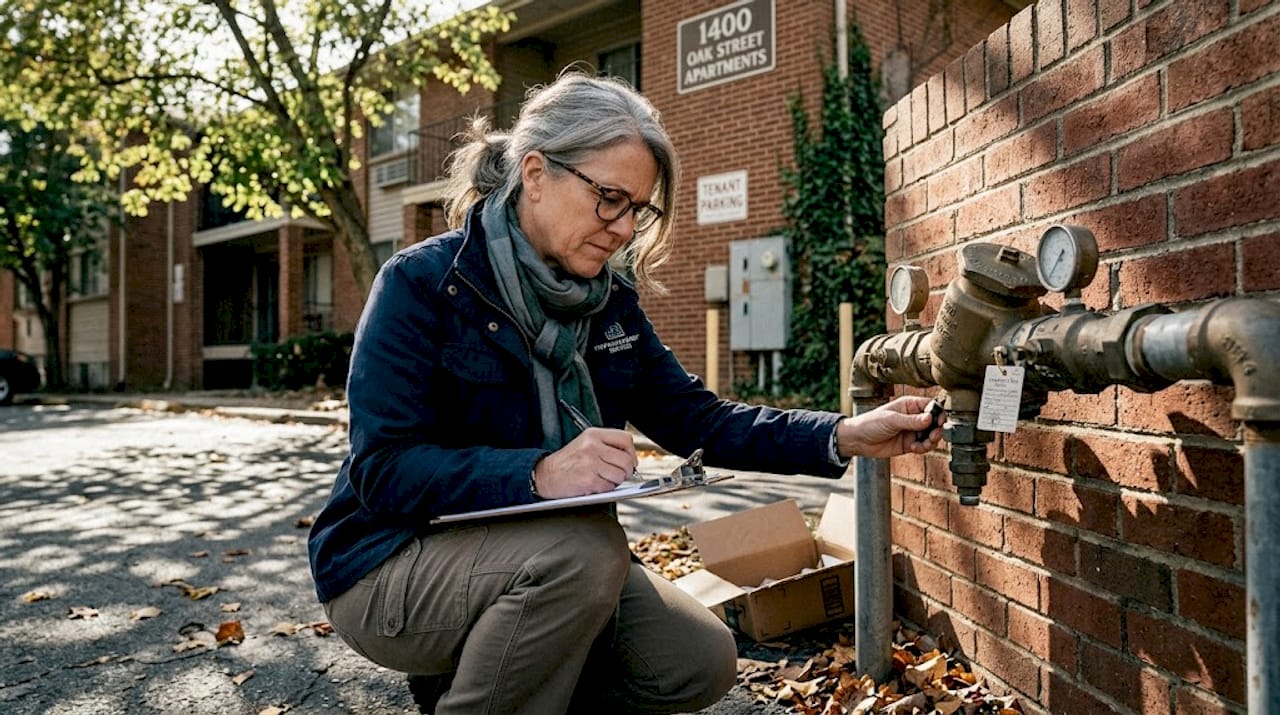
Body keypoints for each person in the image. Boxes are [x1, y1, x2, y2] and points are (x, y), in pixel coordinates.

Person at [307, 71, 944, 715]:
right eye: (608, 197)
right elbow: (384, 471)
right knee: (583, 552)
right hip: (390, 562)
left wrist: (844, 434)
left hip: (547, 559)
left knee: (697, 662)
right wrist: (540, 473)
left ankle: (499, 674)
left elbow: (697, 418)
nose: (621, 226)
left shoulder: (609, 303)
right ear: (535, 174)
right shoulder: (422, 284)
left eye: (637, 208)